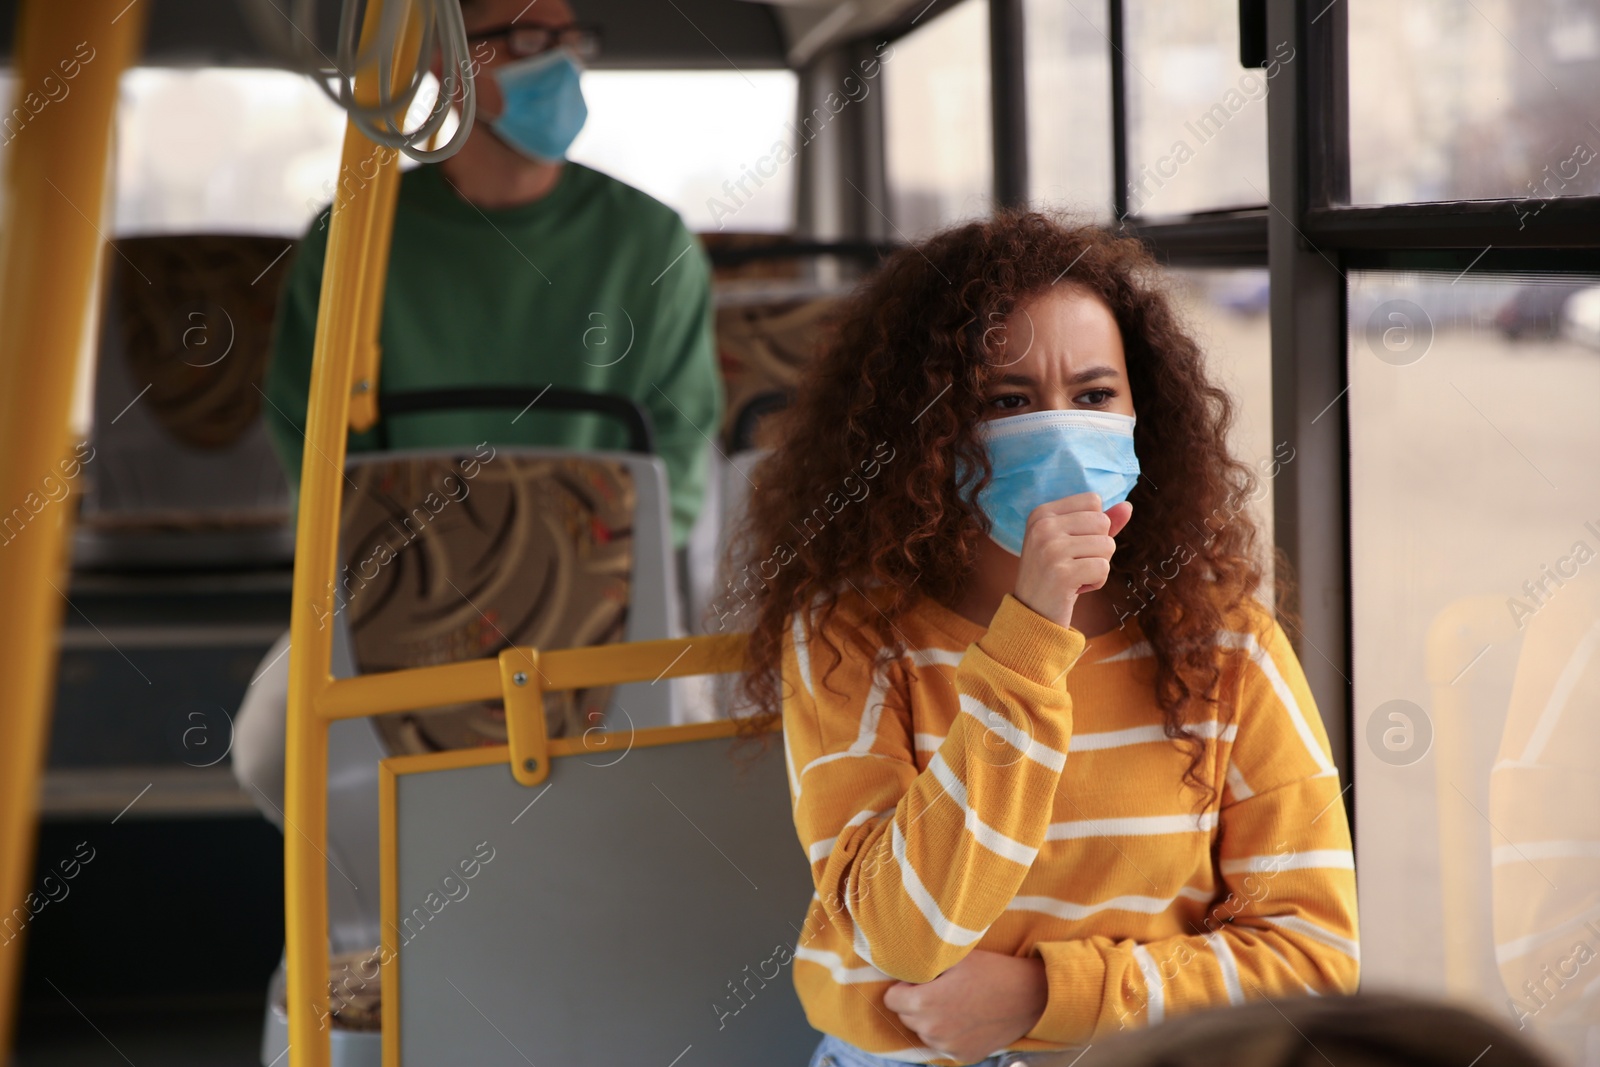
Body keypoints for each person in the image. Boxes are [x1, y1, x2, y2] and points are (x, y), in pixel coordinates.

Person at [725, 213, 1360, 1066]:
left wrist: (1047, 998)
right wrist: (1030, 636)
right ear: (926, 430)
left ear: (1145, 413)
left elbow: (1313, 961)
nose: (1060, 429)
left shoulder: (1224, 639)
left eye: (1095, 396)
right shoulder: (849, 636)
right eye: (1007, 401)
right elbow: (907, 936)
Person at [263, 0, 723, 553]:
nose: (559, 65)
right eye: (529, 39)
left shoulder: (652, 242)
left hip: (602, 584)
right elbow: (311, 435)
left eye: (570, 41)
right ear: (445, 64)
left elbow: (681, 439)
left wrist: (603, 568)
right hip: (400, 578)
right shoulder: (353, 236)